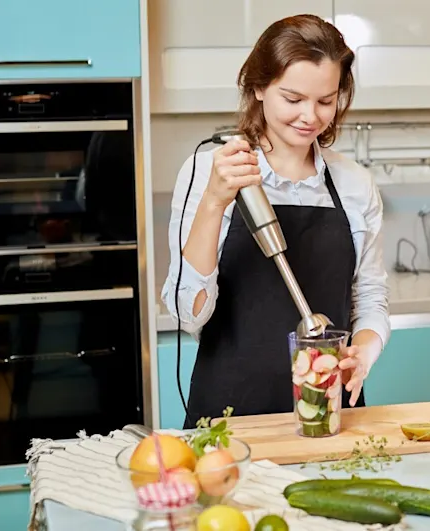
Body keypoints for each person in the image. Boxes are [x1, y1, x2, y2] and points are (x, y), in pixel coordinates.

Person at [161, 14, 390, 427]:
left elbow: (370, 299)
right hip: (229, 421)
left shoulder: (354, 184)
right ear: (258, 87)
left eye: (326, 101)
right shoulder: (208, 170)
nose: (311, 117)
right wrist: (214, 200)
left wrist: (365, 351)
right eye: (293, 99)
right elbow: (186, 314)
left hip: (328, 417)